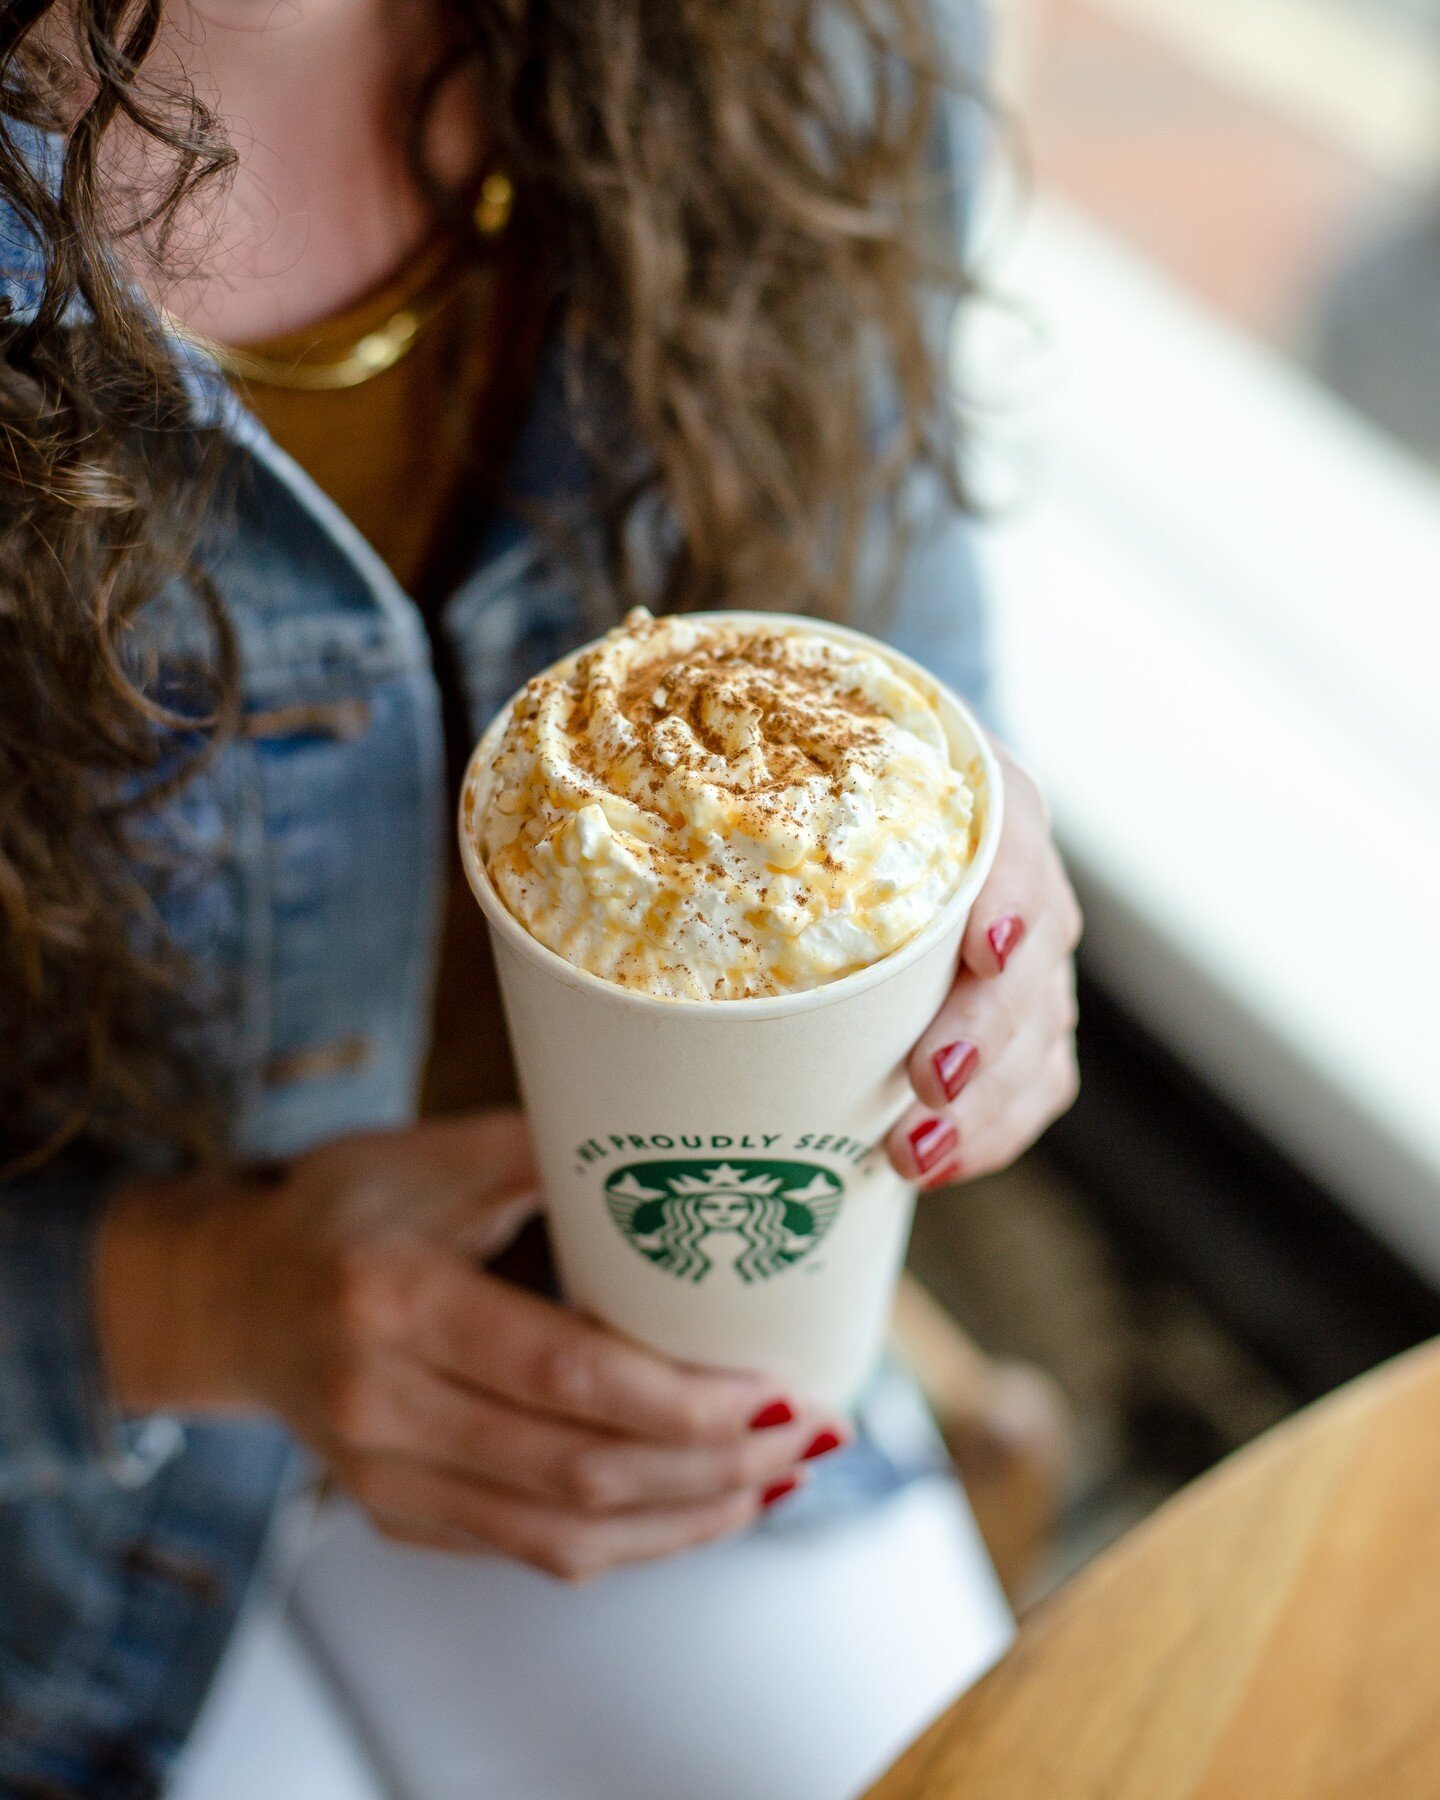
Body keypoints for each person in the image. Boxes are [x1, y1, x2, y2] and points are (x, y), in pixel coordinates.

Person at [0, 0, 1082, 1792]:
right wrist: (201, 1305)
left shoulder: (805, 34)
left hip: (666, 1352)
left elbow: (916, 673)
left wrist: (990, 943)